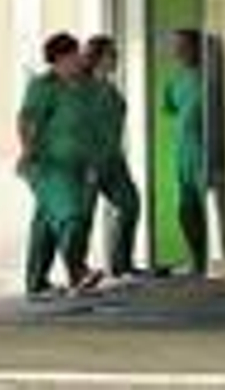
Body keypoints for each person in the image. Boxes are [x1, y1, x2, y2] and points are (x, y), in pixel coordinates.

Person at [17, 32, 104, 299]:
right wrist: (28, 150)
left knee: (46, 224)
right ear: (59, 59)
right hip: (48, 166)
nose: (79, 59)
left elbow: (86, 129)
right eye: (74, 55)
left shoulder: (81, 87)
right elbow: (27, 120)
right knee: (71, 216)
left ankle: (37, 283)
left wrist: (91, 164)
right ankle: (78, 272)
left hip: (75, 167)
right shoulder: (43, 86)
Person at [82, 35, 143, 279]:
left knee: (131, 204)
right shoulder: (82, 89)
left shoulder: (109, 87)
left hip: (114, 160)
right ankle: (78, 270)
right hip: (89, 161)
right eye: (111, 54)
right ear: (97, 57)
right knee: (83, 217)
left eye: (116, 53)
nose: (116, 57)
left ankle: (122, 263)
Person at [162, 28, 211, 275]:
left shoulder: (210, 78)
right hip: (183, 153)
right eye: (175, 46)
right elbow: (171, 109)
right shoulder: (175, 81)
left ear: (197, 48)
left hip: (206, 151)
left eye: (183, 46)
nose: (178, 51)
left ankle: (212, 261)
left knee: (209, 208)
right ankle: (197, 259)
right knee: (186, 211)